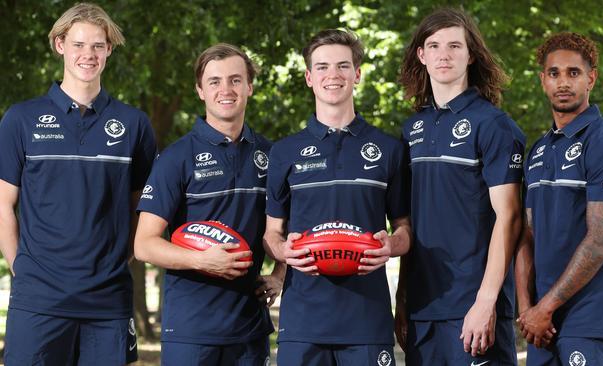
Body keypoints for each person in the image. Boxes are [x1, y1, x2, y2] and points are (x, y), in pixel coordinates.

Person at [0, 3, 156, 365]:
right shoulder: (20, 119)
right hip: (38, 300)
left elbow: (143, 208)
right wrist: (18, 265)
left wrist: (122, 258)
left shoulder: (134, 124)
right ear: (59, 45)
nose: (89, 55)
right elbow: (4, 204)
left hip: (108, 300)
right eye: (79, 45)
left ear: (109, 50)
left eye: (98, 46)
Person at [263, 29, 411, 366]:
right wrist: (283, 250)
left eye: (343, 66)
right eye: (323, 67)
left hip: (367, 320)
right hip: (302, 322)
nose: (333, 75)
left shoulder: (389, 149)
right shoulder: (284, 152)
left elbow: (405, 229)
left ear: (357, 75)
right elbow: (272, 232)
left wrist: (391, 245)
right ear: (308, 77)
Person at [134, 43, 284, 366]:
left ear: (250, 87)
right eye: (214, 81)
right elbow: (144, 245)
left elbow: (292, 228)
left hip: (250, 329)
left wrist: (281, 275)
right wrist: (203, 260)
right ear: (200, 90)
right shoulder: (175, 158)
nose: (225, 90)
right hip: (190, 331)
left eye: (235, 80)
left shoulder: (273, 156)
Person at [396, 8, 525, 365]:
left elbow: (510, 218)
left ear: (471, 55)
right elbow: (411, 222)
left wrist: (485, 302)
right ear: (421, 56)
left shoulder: (494, 126)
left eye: (455, 45)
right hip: (424, 308)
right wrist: (403, 299)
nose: (444, 54)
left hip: (474, 305)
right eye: (434, 45)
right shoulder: (412, 130)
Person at [515, 32, 603, 366]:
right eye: (554, 73)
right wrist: (528, 310)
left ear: (591, 79)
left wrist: (544, 307)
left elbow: (600, 240)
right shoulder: (539, 151)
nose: (563, 82)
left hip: (592, 322)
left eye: (574, 73)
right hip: (542, 326)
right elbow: (527, 235)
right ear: (543, 80)